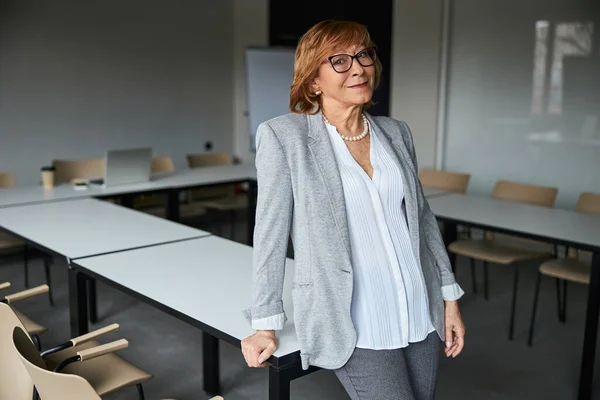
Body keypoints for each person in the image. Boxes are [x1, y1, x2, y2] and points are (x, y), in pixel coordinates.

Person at [241, 19, 465, 400]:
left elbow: (423, 220)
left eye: (364, 55)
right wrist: (265, 323)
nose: (359, 67)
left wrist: (449, 297)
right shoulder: (284, 137)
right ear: (313, 80)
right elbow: (270, 234)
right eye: (340, 61)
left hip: (418, 306)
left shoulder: (397, 133)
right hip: (351, 317)